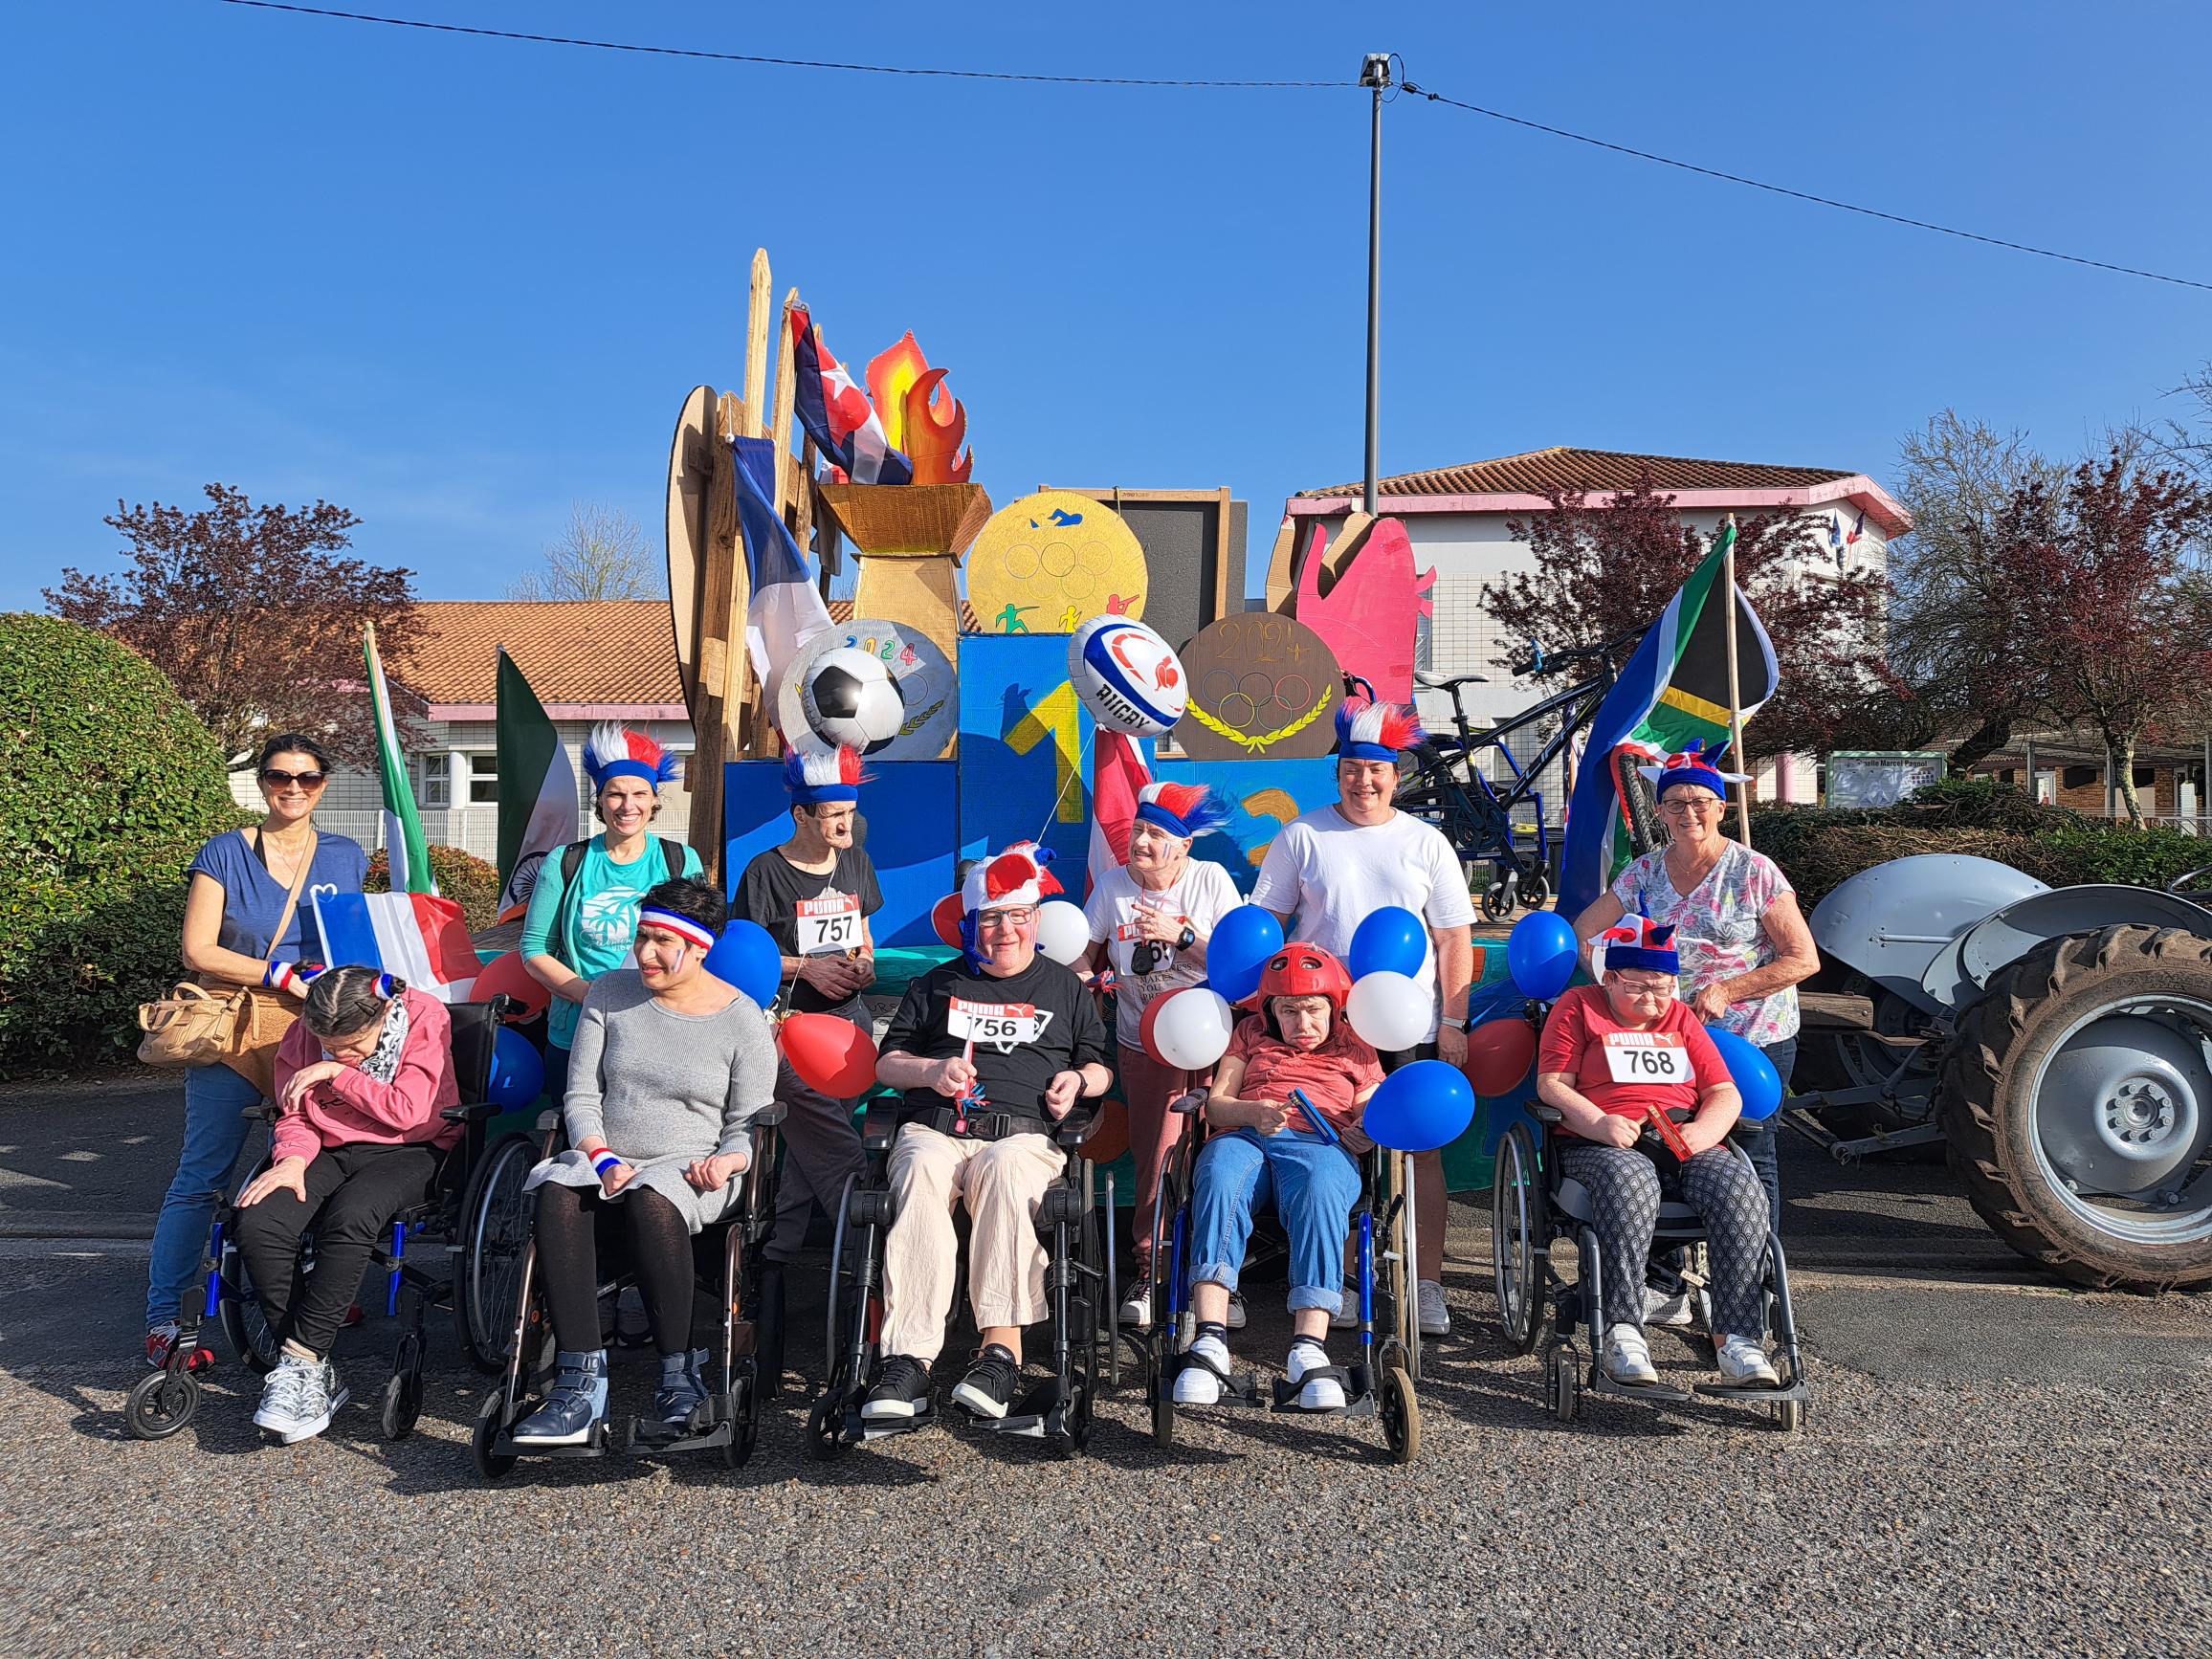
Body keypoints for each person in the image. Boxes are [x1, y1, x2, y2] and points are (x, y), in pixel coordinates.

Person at [512, 877, 778, 1445]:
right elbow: (581, 1096)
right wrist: (602, 1158)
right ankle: (578, 1384)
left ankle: (680, 1376)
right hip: (608, 1152)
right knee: (559, 1190)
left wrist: (730, 1161)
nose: (646, 953)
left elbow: (748, 1122)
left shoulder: (742, 1018)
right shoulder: (609, 993)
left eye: (662, 941)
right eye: (641, 937)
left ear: (700, 947)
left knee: (654, 1198)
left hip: (694, 1165)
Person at [862, 845, 1114, 1424]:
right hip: (937, 1126)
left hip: (1022, 1134)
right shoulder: (935, 984)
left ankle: (1001, 1354)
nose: (1005, 930)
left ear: (1035, 920)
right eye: (991, 918)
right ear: (970, 922)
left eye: (1017, 917)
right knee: (921, 1172)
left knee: (1004, 1172)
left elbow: (1100, 1067)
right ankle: (907, 1361)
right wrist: (930, 1071)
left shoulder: (1065, 988)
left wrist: (1076, 1080)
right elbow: (887, 1063)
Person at [1250, 697, 1475, 1338]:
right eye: (1352, 768)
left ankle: (1427, 1286)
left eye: (1376, 770)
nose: (1363, 781)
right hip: (1324, 1023)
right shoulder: (1303, 835)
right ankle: (1344, 1281)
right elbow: (1269, 923)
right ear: (1338, 772)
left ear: (1396, 774)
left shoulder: (1424, 842)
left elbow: (1454, 937)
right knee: (1335, 1147)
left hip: (1410, 1024)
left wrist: (1453, 1020)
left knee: (1419, 1151)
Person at [145, 732, 369, 1369]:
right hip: (239, 1031)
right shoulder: (224, 852)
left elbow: (353, 939)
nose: (293, 789)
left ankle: (306, 1295)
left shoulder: (346, 855)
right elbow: (199, 950)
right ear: (262, 782)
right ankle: (165, 1319)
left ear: (323, 783)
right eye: (279, 776)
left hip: (320, 1031)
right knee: (202, 1176)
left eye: (307, 778)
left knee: (324, 1168)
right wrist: (278, 974)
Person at [1570, 741, 1818, 1237]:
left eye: (1700, 802)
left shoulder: (1754, 871)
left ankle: (1758, 1273)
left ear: (1720, 808)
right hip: (1672, 1038)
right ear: (1660, 811)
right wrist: (1621, 989)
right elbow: (1583, 933)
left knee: (1752, 1150)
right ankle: (1673, 1278)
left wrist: (1729, 989)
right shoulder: (1644, 872)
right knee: (1670, 1146)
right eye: (1676, 803)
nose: (1689, 813)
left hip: (1750, 1034)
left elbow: (1803, 958)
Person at [1535, 913, 1779, 1388]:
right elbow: (1552, 1084)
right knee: (1631, 1182)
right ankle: (1623, 1329)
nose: (1651, 997)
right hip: (1602, 1139)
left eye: (1663, 985)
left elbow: (1725, 1093)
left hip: (1681, 1134)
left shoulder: (1681, 1016)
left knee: (1740, 1191)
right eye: (1637, 986)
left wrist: (1701, 1135)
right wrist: (1598, 1121)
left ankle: (1739, 1339)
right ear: (1609, 979)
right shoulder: (1578, 1007)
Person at [233, 968, 461, 1443]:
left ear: (384, 1013)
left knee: (352, 1215)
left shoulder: (423, 1015)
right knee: (259, 1221)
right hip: (326, 1148)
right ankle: (311, 1368)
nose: (344, 1053)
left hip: (412, 1148)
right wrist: (293, 1160)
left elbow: (411, 1112)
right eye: (331, 1046)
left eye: (356, 1044)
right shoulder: (303, 1030)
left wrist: (338, 1074)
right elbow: (293, 1110)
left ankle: (299, 1362)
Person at [1174, 945, 1384, 1410]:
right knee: (1220, 1175)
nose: (1302, 1024)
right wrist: (1253, 1111)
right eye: (1289, 1011)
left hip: (1320, 1143)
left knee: (1322, 1187)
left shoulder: (1356, 1044)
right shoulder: (1249, 1033)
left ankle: (1308, 1349)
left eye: (1313, 1010)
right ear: (1270, 1011)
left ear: (1334, 1007)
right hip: (1247, 1135)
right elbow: (1216, 1104)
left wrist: (1368, 1129)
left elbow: (1373, 1105)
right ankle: (1210, 1340)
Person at [732, 743, 879, 1389]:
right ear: (800, 815)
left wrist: (863, 964)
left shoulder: (856, 862)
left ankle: (777, 1257)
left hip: (850, 1024)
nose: (846, 827)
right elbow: (743, 959)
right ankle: (863, 1241)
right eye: (833, 817)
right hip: (790, 1025)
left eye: (849, 813)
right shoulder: (764, 873)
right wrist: (805, 968)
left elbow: (864, 936)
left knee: (807, 1145)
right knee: (823, 1135)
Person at [1076, 781, 1242, 1329]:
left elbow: (1237, 963)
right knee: (1157, 1159)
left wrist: (1182, 933)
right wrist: (1086, 984)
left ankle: (1219, 1281)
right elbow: (1081, 955)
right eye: (1138, 831)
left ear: (1184, 845)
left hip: (1213, 1043)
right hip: (1141, 1044)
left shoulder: (1211, 880)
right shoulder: (1113, 887)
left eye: (1156, 834)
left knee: (1218, 1162)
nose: (1141, 842)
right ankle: (1150, 1272)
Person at [522, 722, 701, 1102]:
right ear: (600, 800)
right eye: (615, 794)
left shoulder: (680, 861)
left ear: (654, 800)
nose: (627, 805)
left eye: (639, 793)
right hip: (577, 1033)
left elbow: (700, 945)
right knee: (576, 1146)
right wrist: (591, 996)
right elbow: (535, 948)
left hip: (659, 1031)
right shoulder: (566, 862)